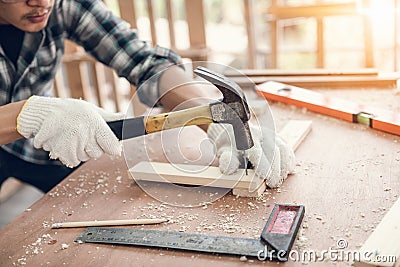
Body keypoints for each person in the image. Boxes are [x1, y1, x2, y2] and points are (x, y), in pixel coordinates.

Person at [0, 0, 294, 193]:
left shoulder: (62, 4)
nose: (41, 3)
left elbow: (146, 62)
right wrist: (27, 114)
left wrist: (212, 116)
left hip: (44, 143)